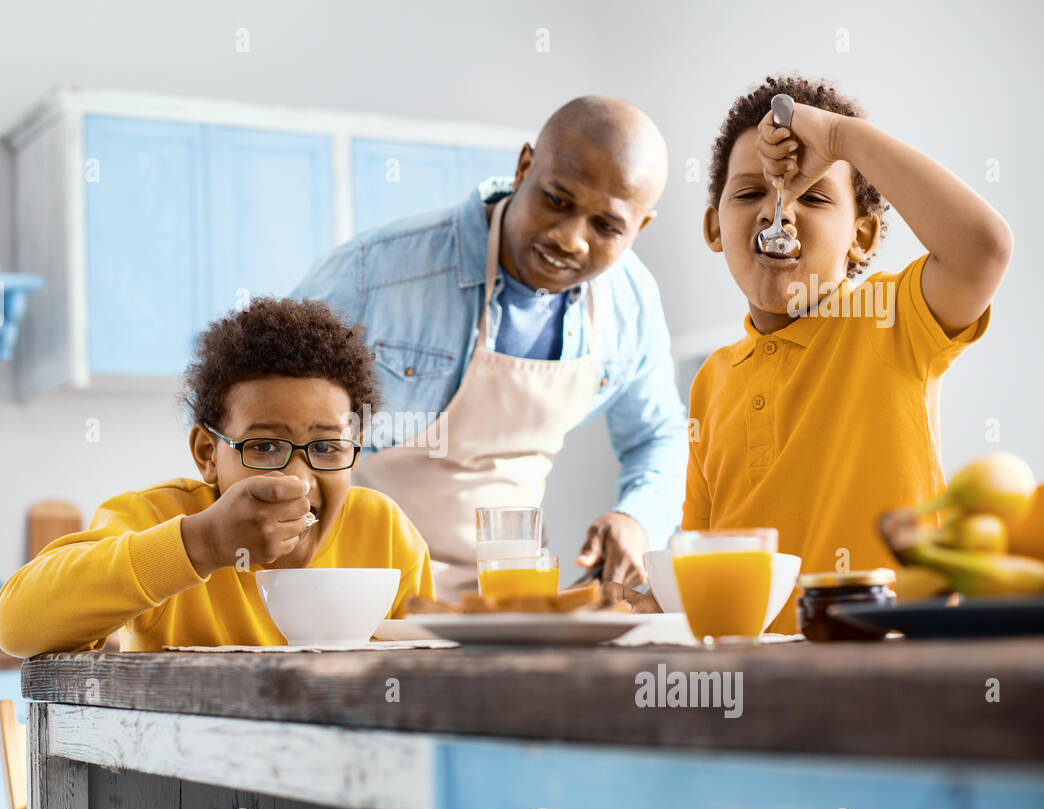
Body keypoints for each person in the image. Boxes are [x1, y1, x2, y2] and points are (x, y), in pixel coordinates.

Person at [292, 96, 688, 598]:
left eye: (606, 226)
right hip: (357, 591)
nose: (570, 239)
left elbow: (657, 436)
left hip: (508, 601)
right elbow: (272, 420)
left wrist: (637, 518)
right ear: (525, 168)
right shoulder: (374, 273)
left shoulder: (632, 302)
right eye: (558, 200)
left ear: (639, 229)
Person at [684, 75, 1012, 633]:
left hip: (892, 669)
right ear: (715, 227)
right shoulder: (711, 381)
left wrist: (839, 137)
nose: (776, 212)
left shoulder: (890, 321)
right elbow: (702, 554)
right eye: (749, 194)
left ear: (861, 237)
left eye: (811, 196)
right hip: (756, 685)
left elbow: (982, 248)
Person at [0, 298, 434, 656]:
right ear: (208, 453)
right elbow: (16, 626)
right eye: (264, 447)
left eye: (325, 448)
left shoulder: (387, 534)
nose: (298, 479)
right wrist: (201, 545)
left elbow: (426, 674)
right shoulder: (157, 518)